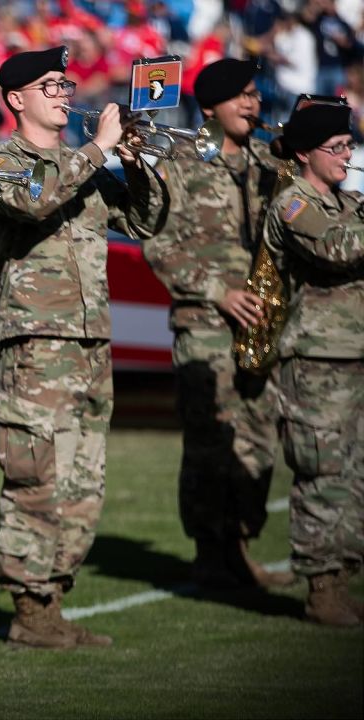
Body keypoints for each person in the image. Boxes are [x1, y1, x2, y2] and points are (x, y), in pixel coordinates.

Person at [0, 45, 167, 649]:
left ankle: (53, 599)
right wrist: (99, 149)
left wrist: (136, 164)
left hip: (90, 340)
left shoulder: (82, 164)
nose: (65, 92)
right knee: (37, 477)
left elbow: (145, 222)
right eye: (51, 84)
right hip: (36, 342)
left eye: (67, 82)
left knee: (86, 481)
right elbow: (34, 198)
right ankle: (29, 607)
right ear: (15, 99)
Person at [142, 58, 294, 591]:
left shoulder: (269, 164)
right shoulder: (181, 161)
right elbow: (158, 244)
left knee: (258, 441)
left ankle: (241, 544)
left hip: (260, 322)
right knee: (210, 442)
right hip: (204, 322)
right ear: (209, 107)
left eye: (255, 94)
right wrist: (217, 292)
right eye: (240, 96)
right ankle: (209, 552)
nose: (252, 104)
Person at [263, 102, 363, 628]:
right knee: (322, 473)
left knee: (356, 475)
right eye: (336, 148)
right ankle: (321, 587)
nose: (347, 155)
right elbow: (335, 248)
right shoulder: (295, 205)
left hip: (355, 353)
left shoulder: (351, 201)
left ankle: (343, 580)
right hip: (318, 358)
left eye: (349, 145)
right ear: (304, 154)